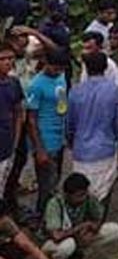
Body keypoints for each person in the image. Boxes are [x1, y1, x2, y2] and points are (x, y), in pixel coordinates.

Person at [65, 52, 118, 207]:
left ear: (85, 68)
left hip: (81, 149)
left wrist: (71, 141)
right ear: (105, 67)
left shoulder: (75, 91)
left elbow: (69, 122)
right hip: (105, 147)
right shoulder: (115, 90)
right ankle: (98, 223)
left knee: (82, 191)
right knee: (104, 191)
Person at [41, 173, 118, 259]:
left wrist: (92, 229)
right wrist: (79, 228)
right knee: (68, 245)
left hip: (80, 236)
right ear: (67, 195)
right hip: (55, 242)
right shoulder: (55, 204)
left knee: (114, 229)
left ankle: (80, 258)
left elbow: (98, 219)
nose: (83, 198)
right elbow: (56, 236)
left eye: (84, 194)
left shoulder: (88, 198)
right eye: (79, 196)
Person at [27, 49, 69, 220]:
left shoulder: (61, 76)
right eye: (55, 68)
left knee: (55, 180)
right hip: (45, 139)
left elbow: (63, 103)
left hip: (59, 137)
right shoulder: (36, 85)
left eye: (60, 68)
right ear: (45, 62)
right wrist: (40, 149)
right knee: (46, 185)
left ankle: (50, 217)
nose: (57, 71)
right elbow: (31, 120)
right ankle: (42, 218)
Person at [0, 45, 25, 214]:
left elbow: (18, 111)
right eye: (3, 59)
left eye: (10, 58)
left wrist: (15, 140)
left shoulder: (14, 83)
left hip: (7, 146)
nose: (8, 62)